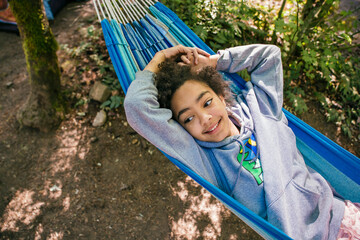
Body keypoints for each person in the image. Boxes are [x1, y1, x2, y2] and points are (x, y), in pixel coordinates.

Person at [124, 45, 360, 239]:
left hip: (342, 213)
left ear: (220, 96)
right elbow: (136, 106)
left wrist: (215, 62)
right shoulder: (203, 158)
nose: (205, 119)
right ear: (182, 127)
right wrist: (158, 59)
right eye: (188, 118)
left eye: (207, 103)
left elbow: (269, 56)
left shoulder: (260, 108)